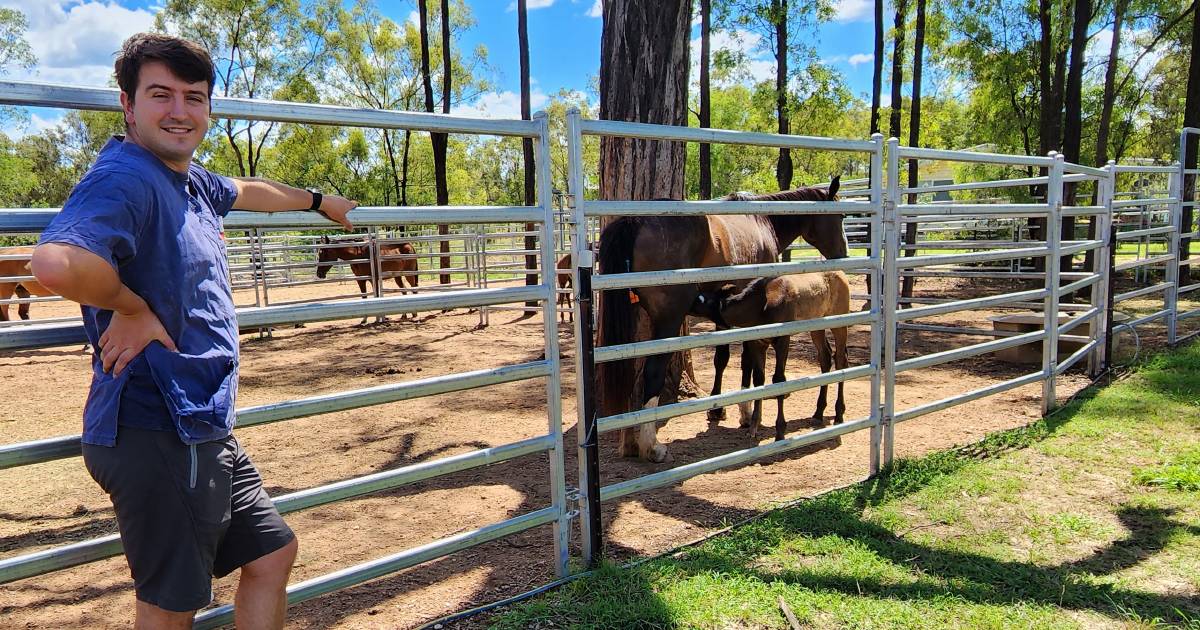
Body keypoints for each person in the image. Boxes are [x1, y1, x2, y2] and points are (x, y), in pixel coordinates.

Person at [31, 33, 356, 630]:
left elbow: (249, 190)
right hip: (155, 425)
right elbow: (54, 263)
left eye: (194, 97)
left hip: (199, 422)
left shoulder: (189, 179)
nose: (180, 111)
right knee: (171, 607)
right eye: (161, 95)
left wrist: (318, 200)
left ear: (209, 107)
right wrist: (129, 306)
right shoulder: (126, 178)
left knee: (272, 552)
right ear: (127, 105)